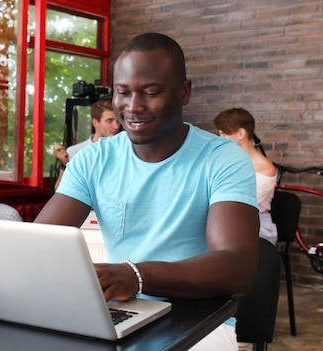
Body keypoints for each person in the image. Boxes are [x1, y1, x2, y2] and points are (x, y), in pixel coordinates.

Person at [34, 33, 259, 350]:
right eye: (122, 93)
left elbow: (237, 267)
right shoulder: (94, 159)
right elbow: (39, 243)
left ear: (184, 92)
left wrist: (135, 275)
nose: (133, 107)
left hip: (200, 320)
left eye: (150, 92)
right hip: (118, 310)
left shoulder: (222, 159)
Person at [214, 108, 278, 246]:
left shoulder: (265, 168)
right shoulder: (227, 160)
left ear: (241, 134)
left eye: (224, 135)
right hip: (228, 219)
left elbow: (243, 205)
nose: (221, 140)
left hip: (255, 226)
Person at [53, 97, 120, 190]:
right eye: (109, 121)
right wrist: (64, 165)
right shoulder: (76, 151)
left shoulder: (124, 150)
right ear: (95, 123)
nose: (116, 126)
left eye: (118, 121)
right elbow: (60, 190)